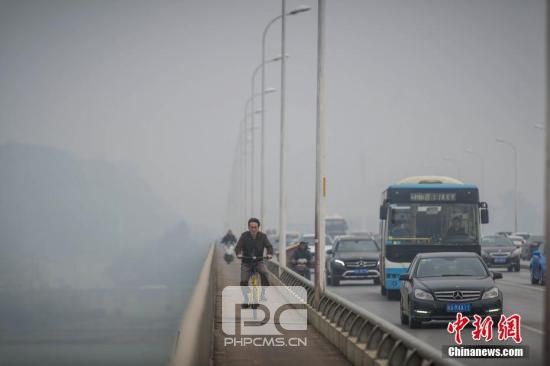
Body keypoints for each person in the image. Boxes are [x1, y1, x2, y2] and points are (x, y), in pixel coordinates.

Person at [235, 218, 273, 307]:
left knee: (265, 273)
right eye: (251, 227)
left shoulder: (263, 236)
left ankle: (263, 292)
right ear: (248, 227)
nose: (253, 229)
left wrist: (269, 254)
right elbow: (238, 247)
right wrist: (238, 254)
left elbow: (269, 246)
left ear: (258, 227)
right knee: (243, 281)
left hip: (259, 261)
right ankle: (246, 299)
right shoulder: (244, 236)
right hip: (246, 262)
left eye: (255, 227)